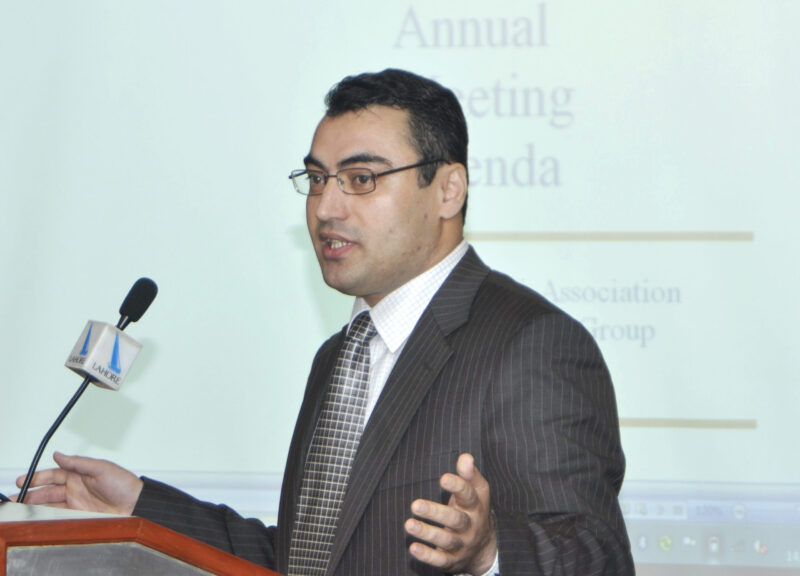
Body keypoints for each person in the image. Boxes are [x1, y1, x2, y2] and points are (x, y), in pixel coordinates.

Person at [17, 69, 634, 575]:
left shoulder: (530, 342)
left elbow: (597, 555)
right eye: (317, 179)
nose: (326, 207)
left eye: (361, 179)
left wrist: (488, 551)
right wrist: (138, 510)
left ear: (448, 190)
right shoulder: (340, 354)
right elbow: (309, 561)